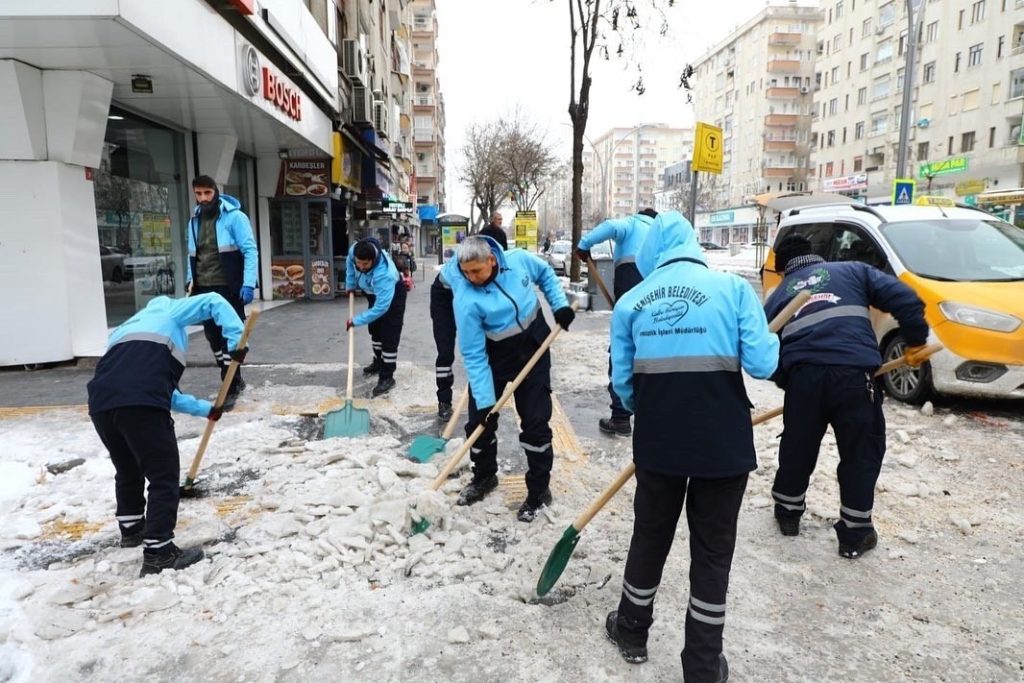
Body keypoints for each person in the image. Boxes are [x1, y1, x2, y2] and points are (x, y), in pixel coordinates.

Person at [604, 211, 779, 680]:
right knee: (712, 554)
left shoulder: (631, 302)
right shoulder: (734, 291)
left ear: (651, 252)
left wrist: (652, 406)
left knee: (650, 538)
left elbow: (623, 386)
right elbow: (763, 365)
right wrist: (772, 338)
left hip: (660, 444)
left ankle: (632, 631)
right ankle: (702, 665)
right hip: (722, 446)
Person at [763, 234, 929, 559]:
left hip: (805, 377)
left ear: (783, 269)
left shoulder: (779, 293)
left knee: (797, 446)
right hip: (855, 376)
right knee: (860, 450)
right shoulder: (853, 271)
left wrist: (790, 382)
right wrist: (915, 341)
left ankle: (787, 514)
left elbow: (763, 351)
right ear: (815, 258)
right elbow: (906, 299)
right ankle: (855, 533)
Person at [87, 294, 246, 577]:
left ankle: (132, 530)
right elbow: (213, 300)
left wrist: (206, 409)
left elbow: (155, 389)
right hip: (141, 402)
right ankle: (159, 551)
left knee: (128, 468)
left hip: (102, 404)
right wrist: (236, 343)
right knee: (163, 475)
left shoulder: (125, 329)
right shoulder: (169, 310)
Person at [442, 235, 574, 522]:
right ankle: (484, 476)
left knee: (535, 421)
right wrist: (488, 403)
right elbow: (474, 355)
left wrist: (559, 305)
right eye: (466, 273)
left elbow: (546, 275)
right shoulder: (465, 298)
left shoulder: (519, 260)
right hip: (495, 355)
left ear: (492, 259)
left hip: (535, 345)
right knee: (479, 421)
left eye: (477, 270)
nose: (471, 277)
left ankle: (539, 491)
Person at [575, 208, 658, 437]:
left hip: (631, 289)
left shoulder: (632, 223)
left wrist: (584, 245)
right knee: (651, 350)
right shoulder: (660, 232)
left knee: (623, 349)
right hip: (658, 293)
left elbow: (611, 226)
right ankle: (651, 416)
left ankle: (621, 418)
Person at [185, 175, 258, 408]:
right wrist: (190, 281)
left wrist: (248, 283)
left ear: (216, 192)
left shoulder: (235, 217)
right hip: (204, 287)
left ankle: (231, 382)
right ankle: (229, 376)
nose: (203, 198)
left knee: (232, 336)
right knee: (212, 336)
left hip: (228, 287)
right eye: (199, 194)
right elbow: (192, 254)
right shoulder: (194, 221)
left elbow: (250, 250)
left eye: (207, 193)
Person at [345, 237, 407, 397]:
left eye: (365, 264)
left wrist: (355, 321)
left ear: (373, 260)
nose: (360, 266)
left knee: (389, 334)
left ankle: (387, 376)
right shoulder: (355, 252)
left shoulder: (384, 274)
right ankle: (378, 362)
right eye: (359, 263)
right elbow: (350, 265)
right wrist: (350, 285)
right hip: (372, 292)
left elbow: (381, 307)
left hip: (392, 296)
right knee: (375, 328)